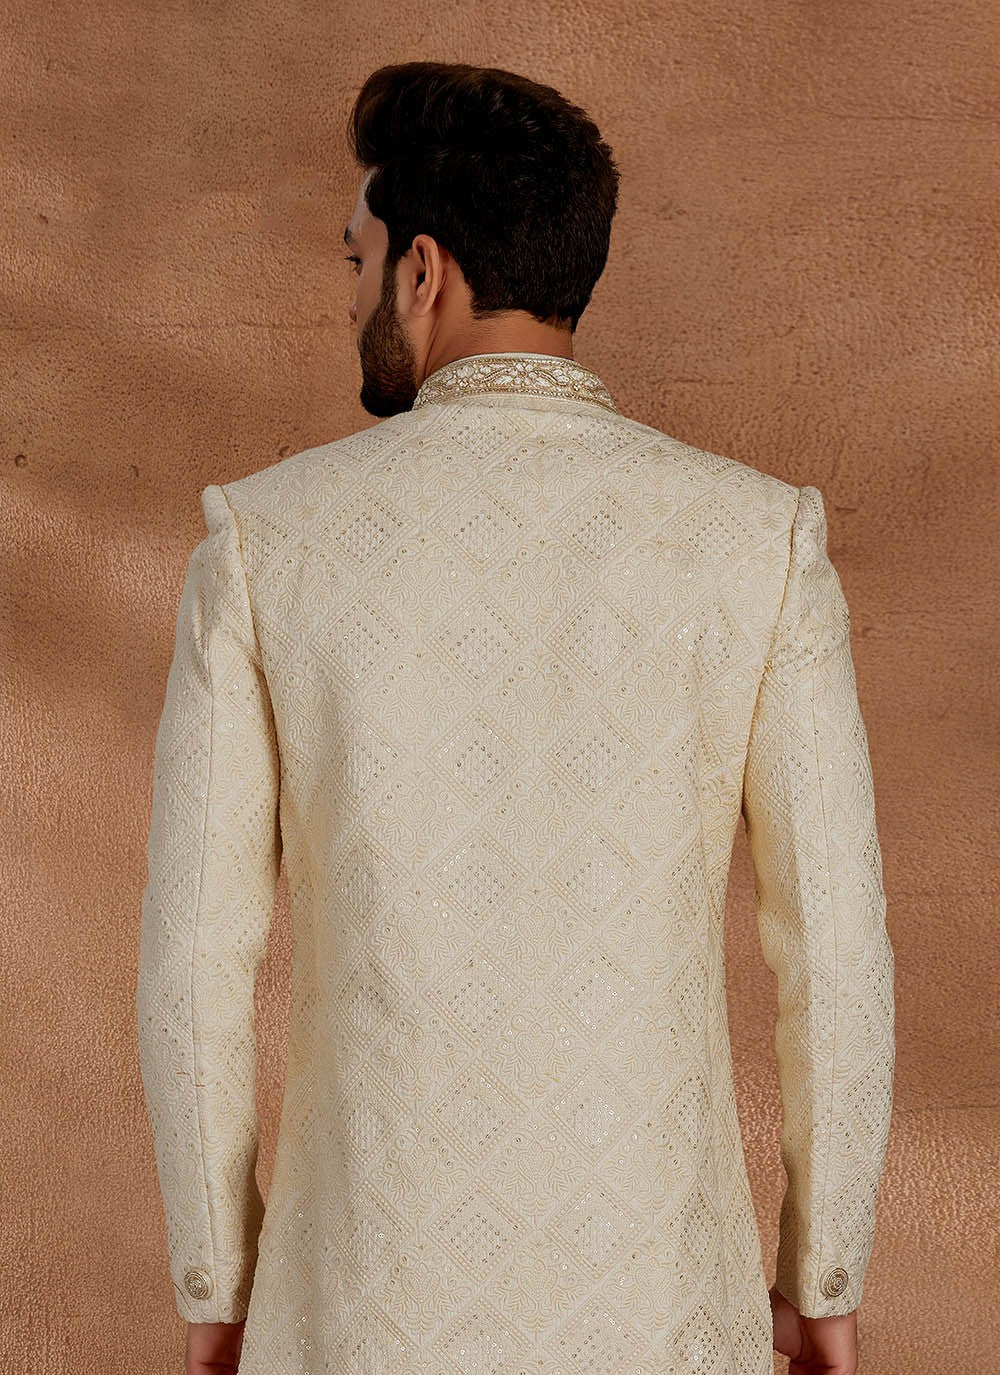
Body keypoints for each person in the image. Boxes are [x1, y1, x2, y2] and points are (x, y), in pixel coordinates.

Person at [135, 60, 895, 1375]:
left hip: (357, 1306)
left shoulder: (265, 543)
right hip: (660, 1307)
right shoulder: (757, 539)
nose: (353, 294)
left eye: (358, 258)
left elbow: (193, 964)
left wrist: (220, 1281)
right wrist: (823, 1272)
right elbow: (834, 950)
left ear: (423, 271)